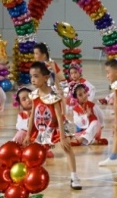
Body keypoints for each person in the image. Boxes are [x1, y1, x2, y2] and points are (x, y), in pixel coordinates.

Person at [27, 61, 81, 190]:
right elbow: (32, 115)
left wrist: (62, 136)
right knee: (37, 152)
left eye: (36, 76)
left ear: (45, 78)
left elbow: (59, 116)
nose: (32, 79)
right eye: (31, 76)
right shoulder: (34, 95)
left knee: (67, 147)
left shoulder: (53, 96)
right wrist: (28, 134)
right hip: (43, 127)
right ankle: (35, 177)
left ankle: (74, 177)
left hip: (58, 126)